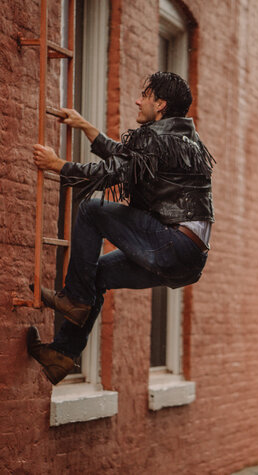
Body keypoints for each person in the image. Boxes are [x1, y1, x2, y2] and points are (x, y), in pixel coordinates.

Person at [27, 72, 215, 385]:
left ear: (161, 105)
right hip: (190, 258)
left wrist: (57, 165)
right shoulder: (187, 141)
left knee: (91, 210)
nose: (138, 101)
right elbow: (131, 161)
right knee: (96, 276)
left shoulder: (155, 137)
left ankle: (73, 299)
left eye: (146, 95)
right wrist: (87, 128)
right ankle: (61, 355)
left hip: (171, 242)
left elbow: (112, 173)